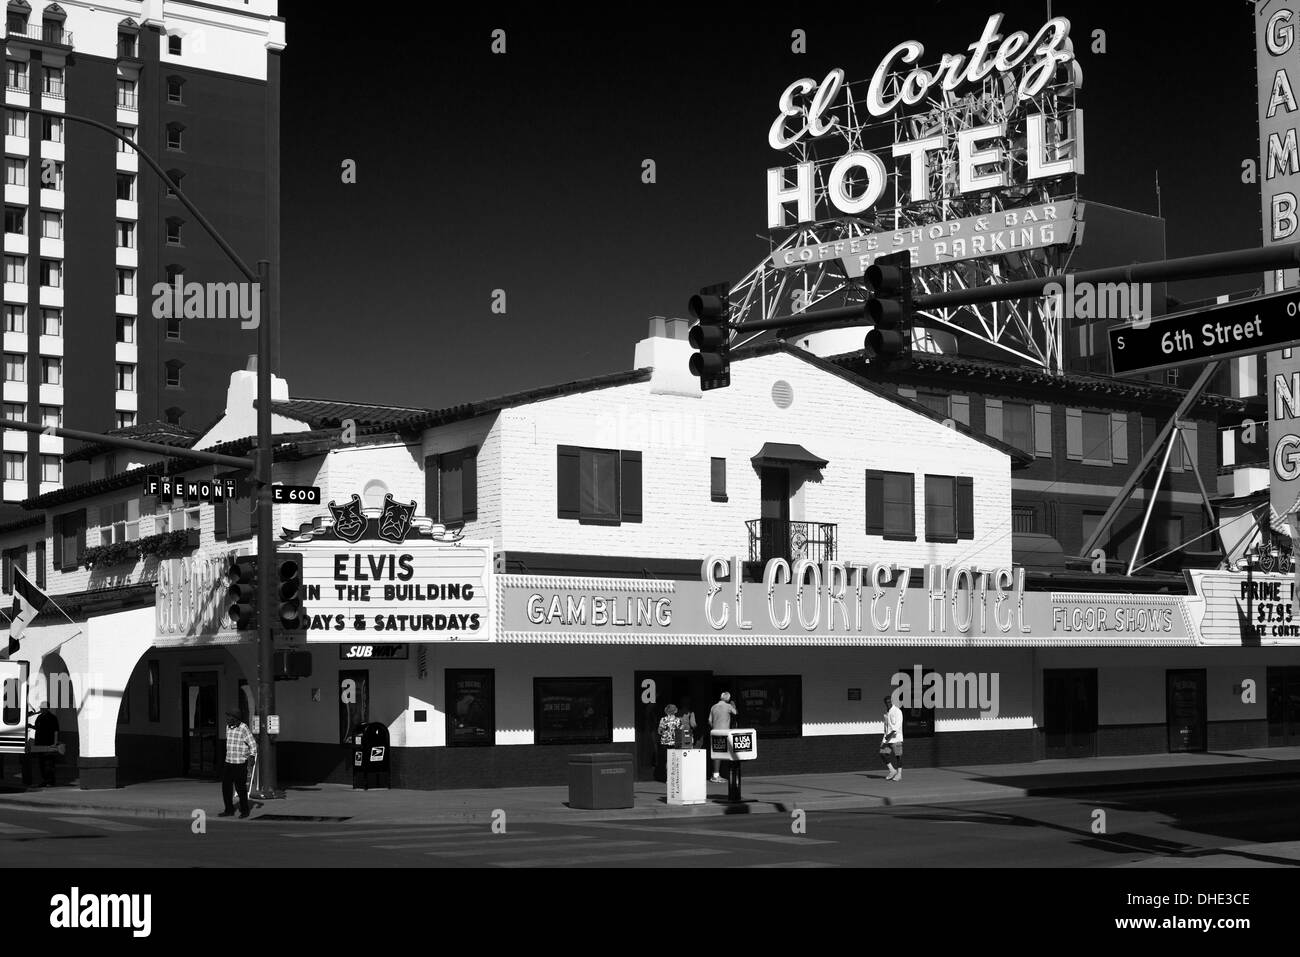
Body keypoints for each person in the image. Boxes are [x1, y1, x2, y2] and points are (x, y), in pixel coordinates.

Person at [220, 710, 257, 818]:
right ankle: (228, 810)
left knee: (240, 788)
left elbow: (253, 744)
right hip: (229, 762)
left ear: (235, 718)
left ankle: (245, 810)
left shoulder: (243, 728)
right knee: (226, 788)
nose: (227, 719)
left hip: (240, 763)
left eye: (229, 717)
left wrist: (252, 756)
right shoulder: (228, 727)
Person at [709, 691, 737, 783]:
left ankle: (716, 774)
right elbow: (735, 713)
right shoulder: (728, 706)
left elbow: (709, 721)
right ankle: (717, 775)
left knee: (716, 753)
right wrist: (733, 705)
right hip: (724, 732)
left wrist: (715, 726)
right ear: (728, 698)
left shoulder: (713, 706)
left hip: (714, 731)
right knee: (721, 753)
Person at [32, 704, 59, 787]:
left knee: (49, 763)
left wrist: (55, 743)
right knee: (42, 763)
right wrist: (31, 727)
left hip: (49, 743)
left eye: (43, 708)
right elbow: (37, 727)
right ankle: (45, 780)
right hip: (40, 743)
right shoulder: (39, 717)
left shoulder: (52, 718)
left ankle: (50, 781)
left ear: (47, 708)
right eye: (41, 708)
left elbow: (56, 731)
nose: (41, 709)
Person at [655, 704, 681, 783]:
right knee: (675, 759)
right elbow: (681, 730)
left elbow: (659, 731)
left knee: (667, 760)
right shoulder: (678, 720)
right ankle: (674, 777)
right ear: (675, 711)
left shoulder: (663, 719)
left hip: (665, 742)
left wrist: (665, 731)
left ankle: (668, 778)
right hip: (675, 742)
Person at [881, 694, 904, 781]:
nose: (888, 703)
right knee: (882, 753)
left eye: (889, 702)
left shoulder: (897, 711)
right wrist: (885, 737)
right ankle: (892, 770)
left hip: (896, 738)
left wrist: (889, 735)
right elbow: (886, 726)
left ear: (892, 701)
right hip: (887, 738)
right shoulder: (886, 712)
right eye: (886, 702)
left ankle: (899, 774)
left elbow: (897, 726)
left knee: (898, 756)